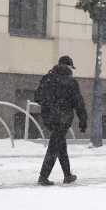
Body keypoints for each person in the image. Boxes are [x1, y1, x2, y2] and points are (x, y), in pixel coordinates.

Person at [34, 55, 88, 185]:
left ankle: (67, 175)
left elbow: (37, 97)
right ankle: (43, 176)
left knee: (60, 144)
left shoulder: (47, 78)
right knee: (54, 146)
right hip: (62, 119)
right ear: (67, 66)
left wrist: (49, 107)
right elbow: (79, 103)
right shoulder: (71, 82)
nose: (72, 69)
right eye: (71, 66)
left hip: (48, 118)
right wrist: (83, 120)